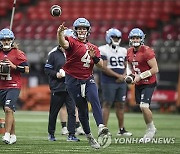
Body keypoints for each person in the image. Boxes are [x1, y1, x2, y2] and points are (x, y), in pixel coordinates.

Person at [57, 18, 110, 149]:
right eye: (79, 28)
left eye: (84, 28)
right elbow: (64, 44)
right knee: (82, 110)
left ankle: (101, 126)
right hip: (72, 79)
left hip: (87, 78)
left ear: (88, 31)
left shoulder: (94, 47)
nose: (82, 30)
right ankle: (89, 136)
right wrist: (59, 34)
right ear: (75, 30)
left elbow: (101, 65)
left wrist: (95, 57)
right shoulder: (72, 42)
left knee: (94, 98)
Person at [44, 29, 80, 142]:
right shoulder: (54, 54)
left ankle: (72, 134)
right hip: (58, 87)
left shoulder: (75, 53)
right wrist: (57, 74)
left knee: (72, 112)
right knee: (54, 112)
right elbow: (47, 69)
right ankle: (51, 133)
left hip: (71, 87)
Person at [126, 28, 158, 143]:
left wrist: (140, 76)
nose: (135, 40)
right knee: (142, 106)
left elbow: (155, 69)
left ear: (142, 39)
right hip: (138, 83)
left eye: (137, 38)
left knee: (144, 106)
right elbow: (129, 65)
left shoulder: (147, 51)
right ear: (130, 39)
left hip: (148, 82)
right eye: (133, 38)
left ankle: (151, 129)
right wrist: (129, 75)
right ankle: (150, 127)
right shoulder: (129, 51)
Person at [98, 28, 132, 136]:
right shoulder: (103, 49)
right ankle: (104, 130)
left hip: (121, 82)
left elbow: (127, 66)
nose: (116, 39)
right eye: (114, 37)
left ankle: (121, 129)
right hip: (108, 81)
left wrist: (125, 76)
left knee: (121, 104)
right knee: (107, 104)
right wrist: (119, 76)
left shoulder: (123, 50)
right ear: (109, 38)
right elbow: (104, 67)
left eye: (118, 37)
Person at [0, 28, 29, 144]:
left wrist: (14, 66)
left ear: (12, 40)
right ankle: (13, 135)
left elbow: (26, 69)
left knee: (8, 108)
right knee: (9, 111)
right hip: (1, 86)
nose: (6, 42)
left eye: (8, 40)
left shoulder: (18, 53)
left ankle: (6, 134)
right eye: (4, 40)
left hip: (13, 85)